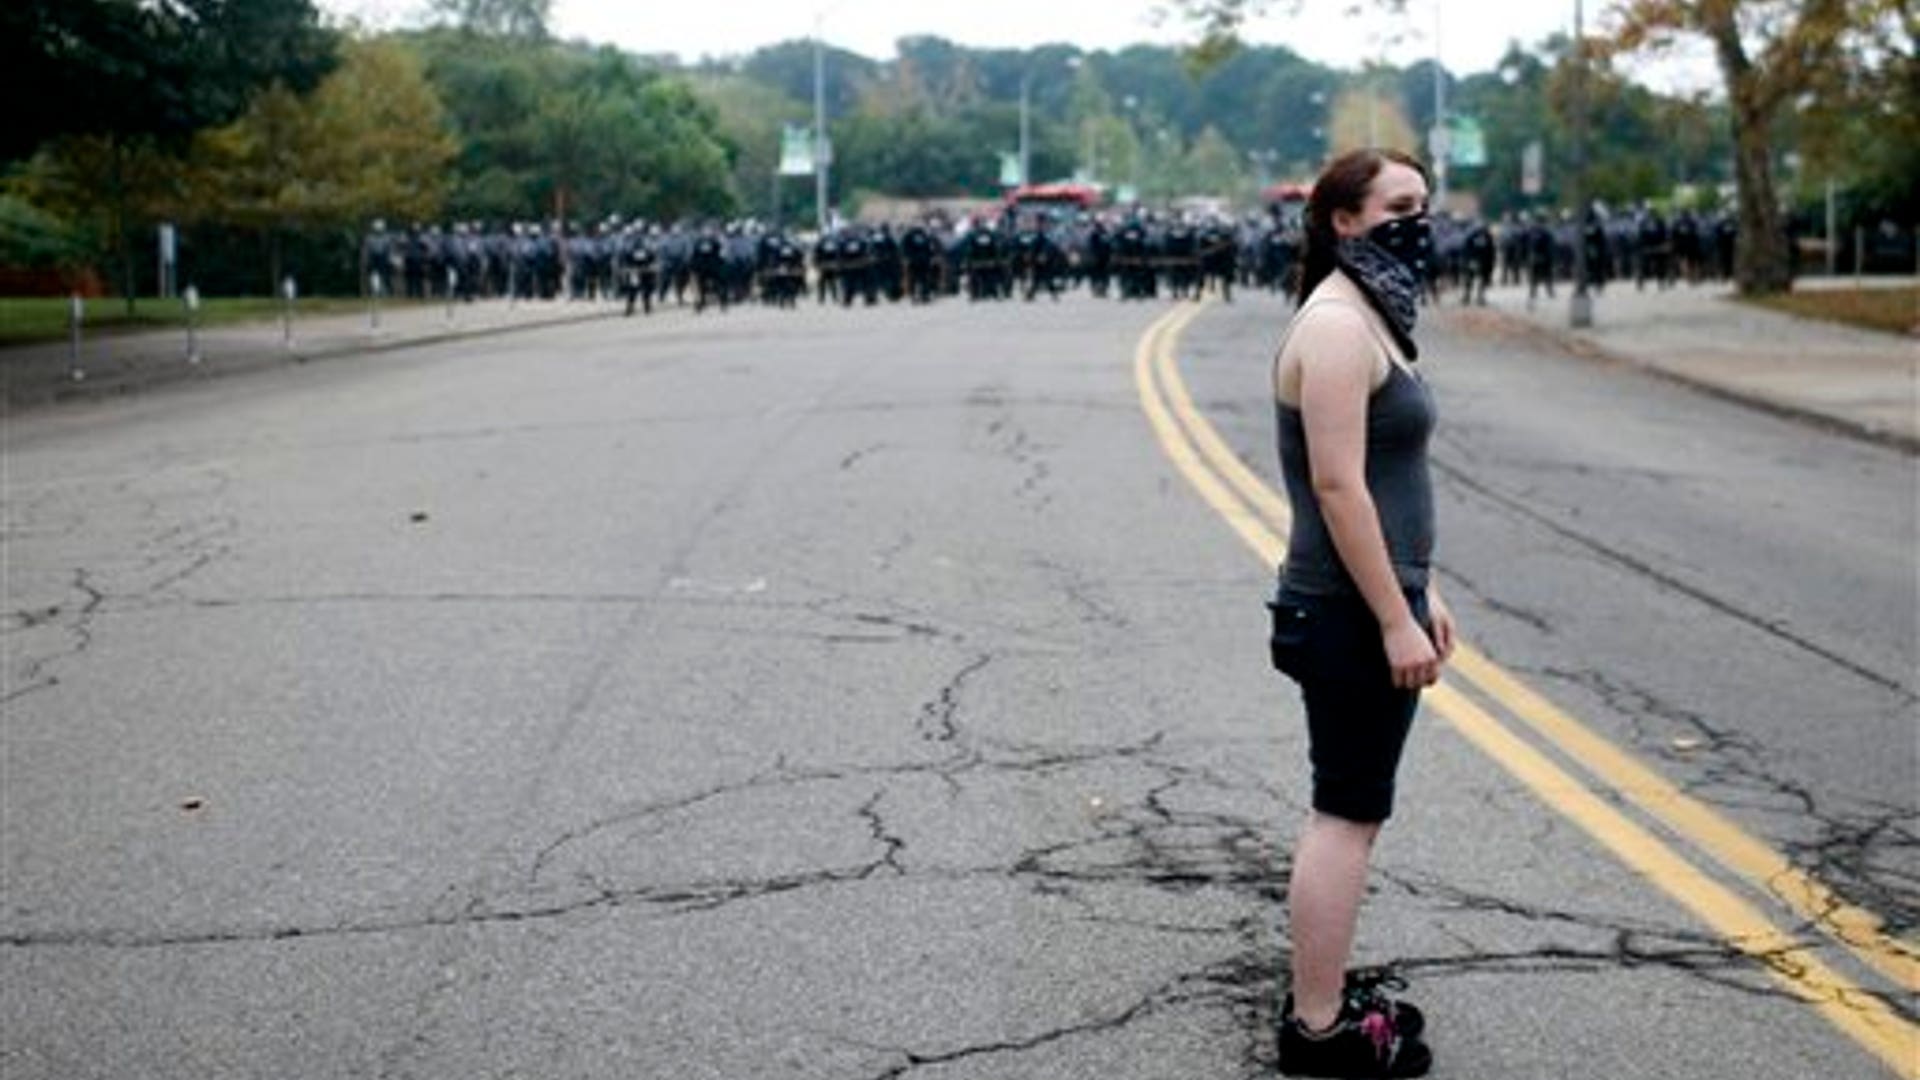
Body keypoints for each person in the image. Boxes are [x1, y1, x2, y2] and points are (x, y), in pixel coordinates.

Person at [1267, 147, 1456, 1078]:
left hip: (1369, 596)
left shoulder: (1367, 316)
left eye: (1424, 202)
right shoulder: (1339, 329)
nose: (1419, 219)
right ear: (1344, 219)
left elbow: (1388, 478)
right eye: (1398, 204)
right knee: (1345, 814)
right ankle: (1318, 1030)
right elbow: (1338, 486)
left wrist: (1426, 590)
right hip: (1344, 611)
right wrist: (1393, 616)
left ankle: (1323, 994)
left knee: (1350, 810)